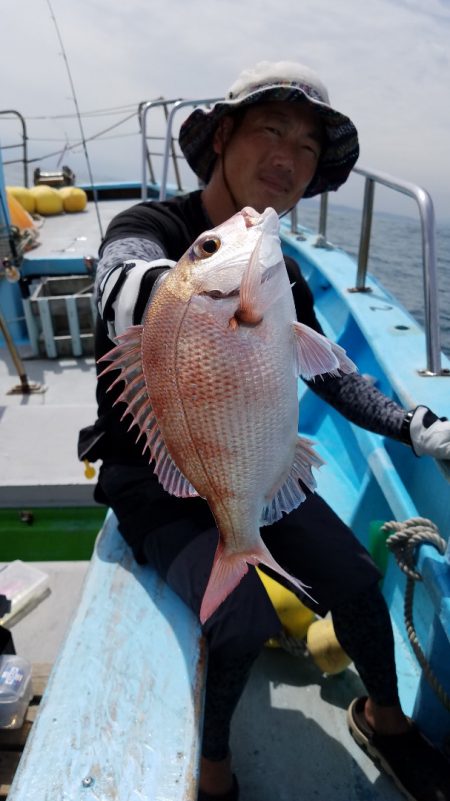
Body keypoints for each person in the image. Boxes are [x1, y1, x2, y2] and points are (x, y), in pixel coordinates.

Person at [79, 61, 450, 801]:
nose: (289, 159)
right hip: (152, 476)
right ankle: (213, 768)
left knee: (354, 578)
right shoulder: (155, 229)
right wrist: (198, 289)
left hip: (245, 461)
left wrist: (415, 425)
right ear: (223, 136)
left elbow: (332, 371)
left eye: (308, 148)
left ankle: (387, 719)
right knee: (241, 616)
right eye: (271, 132)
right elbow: (118, 286)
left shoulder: (279, 275)